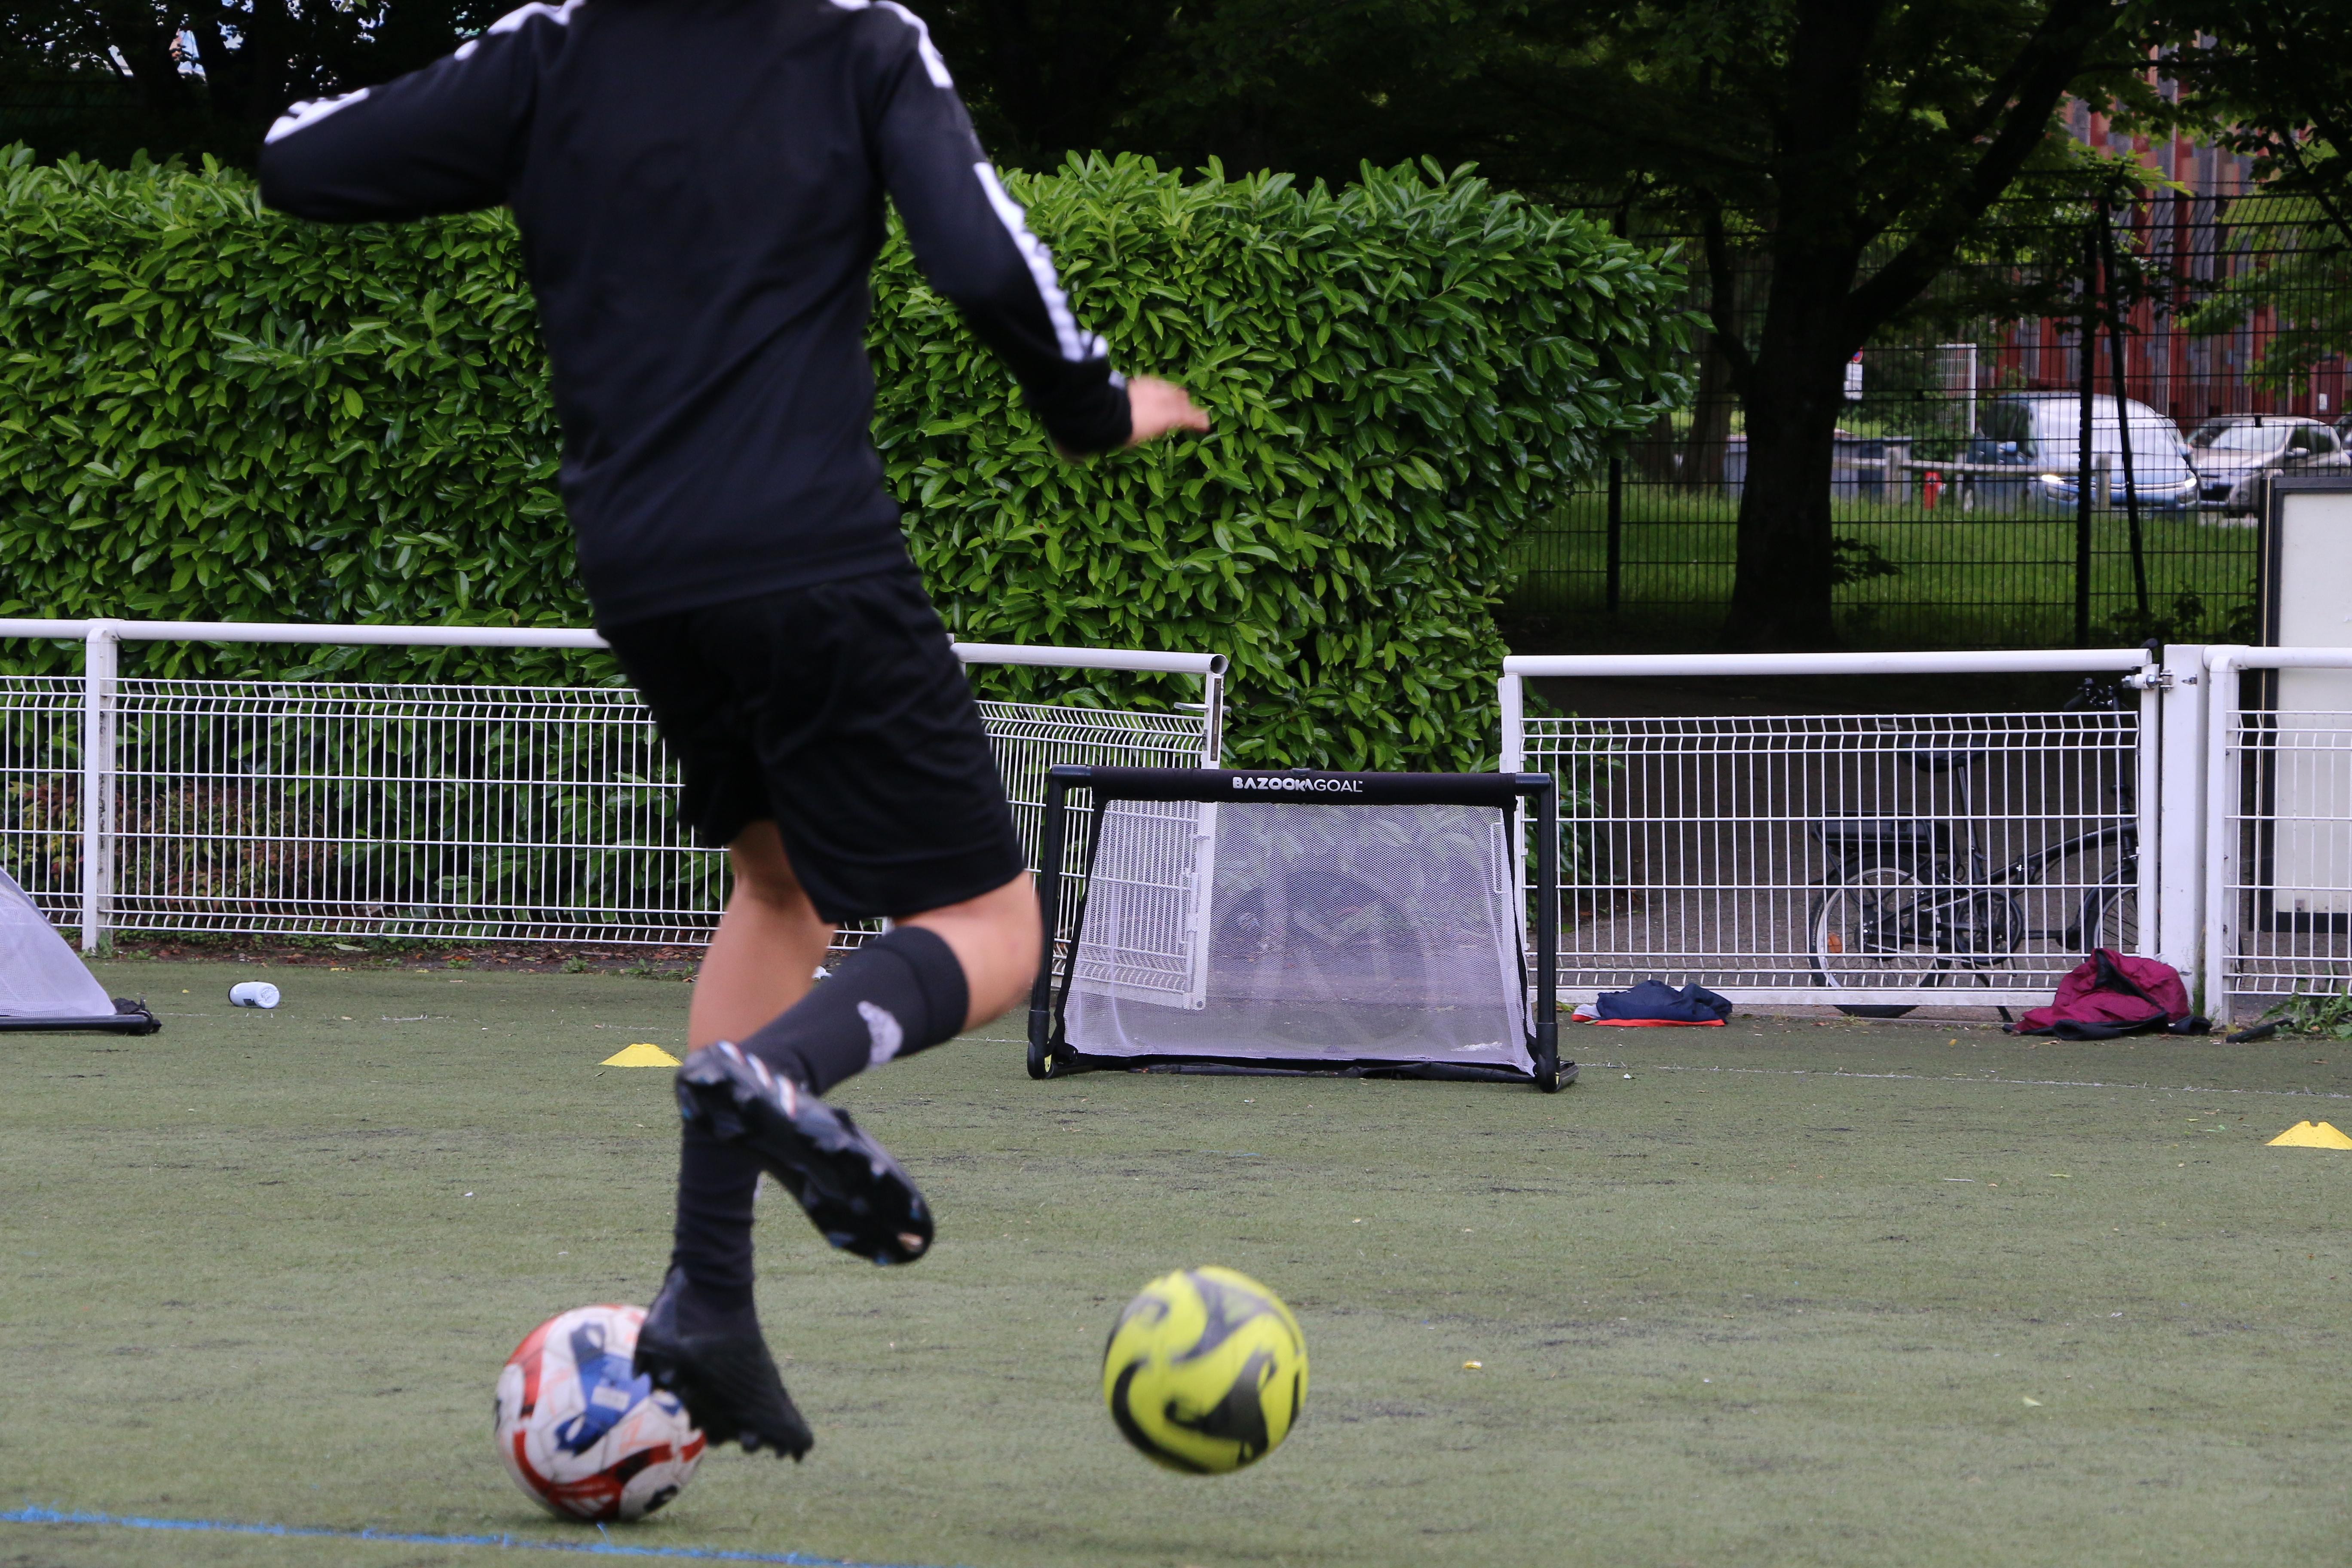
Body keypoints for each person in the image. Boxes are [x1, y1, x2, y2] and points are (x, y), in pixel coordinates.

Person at [259, 0, 1209, 1461]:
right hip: (813, 560)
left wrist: (520, 125)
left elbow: (301, 159)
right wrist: (1090, 410)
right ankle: (778, 1077)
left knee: (780, 884)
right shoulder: (857, 42)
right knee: (996, 925)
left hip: (641, 573)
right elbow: (977, 252)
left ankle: (704, 1298)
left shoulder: (558, 50)